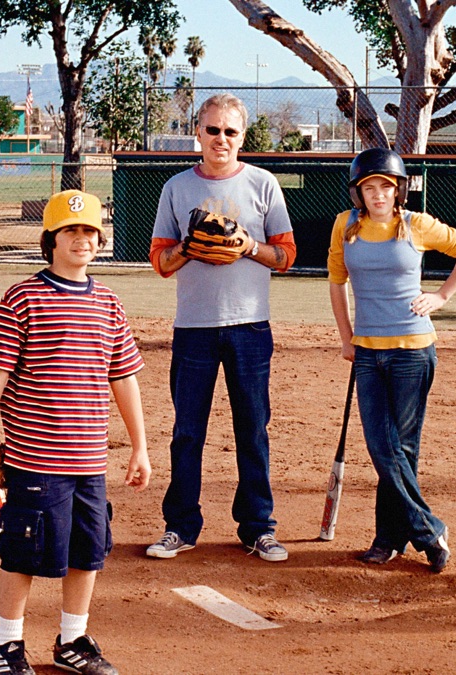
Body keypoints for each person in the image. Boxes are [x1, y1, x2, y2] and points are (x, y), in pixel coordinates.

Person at [0, 190, 150, 675]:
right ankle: (6, 643)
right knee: (24, 551)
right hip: (35, 456)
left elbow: (123, 377)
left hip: (89, 458)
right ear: (51, 239)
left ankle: (72, 639)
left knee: (88, 551)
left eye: (89, 231)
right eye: (71, 231)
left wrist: (140, 447)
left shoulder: (108, 302)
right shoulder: (24, 296)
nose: (82, 239)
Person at [145, 92, 297, 563]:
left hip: (250, 326)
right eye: (213, 130)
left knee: (253, 428)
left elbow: (286, 255)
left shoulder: (263, 183)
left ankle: (258, 527)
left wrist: (247, 244)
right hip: (194, 326)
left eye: (231, 132)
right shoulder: (176, 187)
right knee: (187, 430)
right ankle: (180, 526)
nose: (221, 139)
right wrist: (192, 246)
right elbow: (160, 261)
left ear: (242, 137)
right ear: (198, 132)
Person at [327, 148, 456, 573]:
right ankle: (429, 529)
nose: (378, 194)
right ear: (358, 192)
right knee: (382, 445)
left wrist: (441, 296)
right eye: (369, 187)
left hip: (413, 350)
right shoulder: (346, 226)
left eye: (386, 186)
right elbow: (337, 283)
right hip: (367, 352)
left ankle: (388, 538)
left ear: (399, 190)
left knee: (401, 448)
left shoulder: (416, 225)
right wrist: (346, 338)